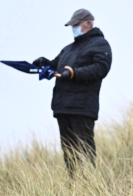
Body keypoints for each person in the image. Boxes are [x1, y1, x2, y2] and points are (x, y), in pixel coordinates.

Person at [32, 9, 112, 177]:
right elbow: (56, 65)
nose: (73, 28)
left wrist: (74, 73)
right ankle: (73, 184)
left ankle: (91, 184)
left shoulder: (100, 45)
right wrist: (44, 63)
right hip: (62, 107)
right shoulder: (68, 49)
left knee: (85, 148)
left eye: (76, 25)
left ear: (88, 23)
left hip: (83, 107)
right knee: (68, 151)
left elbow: (100, 68)